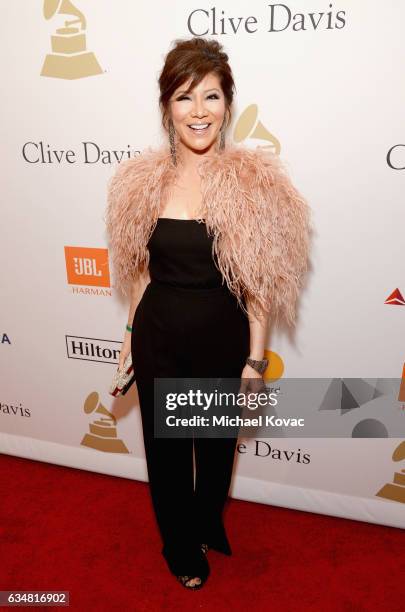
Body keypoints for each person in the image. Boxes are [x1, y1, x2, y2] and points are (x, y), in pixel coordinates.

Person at [105, 37, 311, 590]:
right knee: (166, 451)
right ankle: (180, 546)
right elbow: (141, 275)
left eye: (212, 97)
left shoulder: (252, 185)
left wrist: (255, 359)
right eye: (184, 97)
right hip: (158, 339)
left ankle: (202, 522)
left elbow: (260, 283)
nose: (199, 112)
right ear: (166, 107)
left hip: (222, 340)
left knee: (216, 454)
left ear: (228, 104)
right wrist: (127, 344)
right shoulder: (143, 184)